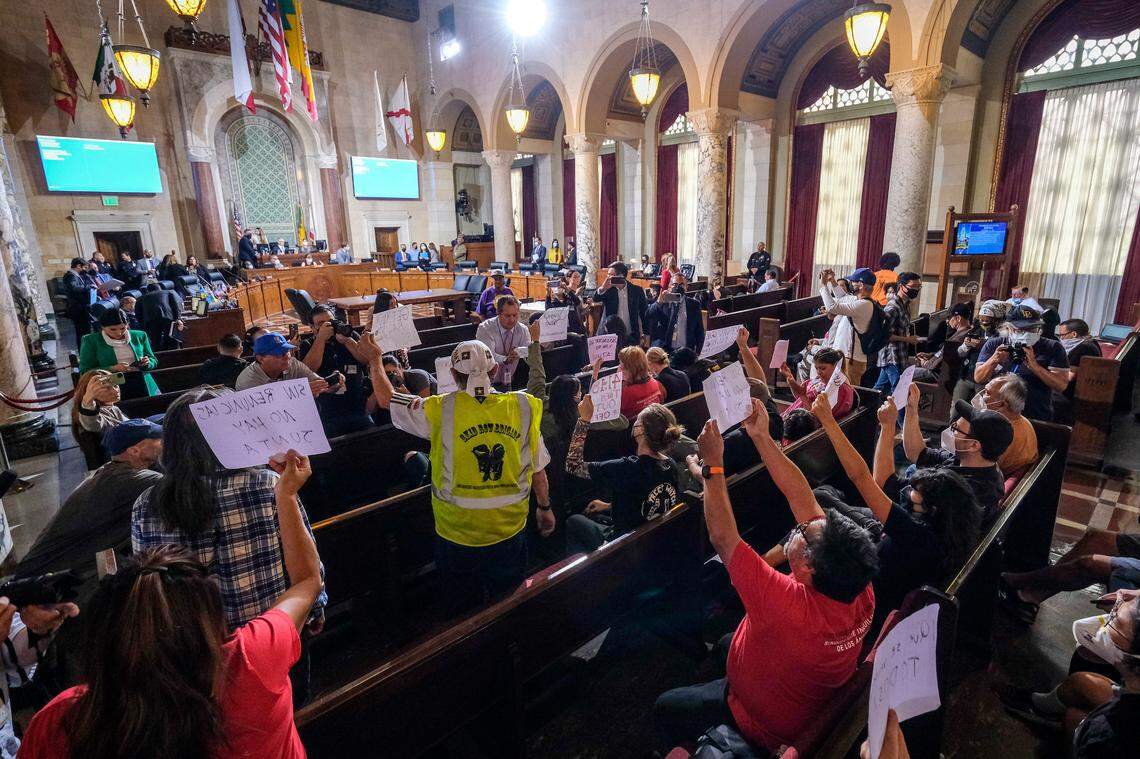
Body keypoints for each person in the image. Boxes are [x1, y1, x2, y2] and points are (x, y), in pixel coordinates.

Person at [23, 452, 321, 759]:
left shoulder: (64, 721)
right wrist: (286, 495)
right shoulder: (251, 662)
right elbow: (307, 582)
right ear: (208, 616)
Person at [655, 404, 877, 753]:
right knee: (728, 640)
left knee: (665, 706)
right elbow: (800, 495)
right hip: (801, 691)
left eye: (802, 532)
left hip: (763, 724)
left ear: (807, 567)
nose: (800, 525)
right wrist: (762, 436)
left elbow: (724, 538)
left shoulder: (786, 604)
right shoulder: (857, 584)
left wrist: (713, 466)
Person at [373, 339, 554, 617]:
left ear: (454, 375)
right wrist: (544, 508)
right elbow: (538, 469)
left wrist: (374, 360)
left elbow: (387, 400)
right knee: (508, 606)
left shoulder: (439, 408)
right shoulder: (523, 407)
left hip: (456, 533)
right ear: (494, 371)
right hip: (508, 529)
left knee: (461, 610)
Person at [814, 394, 982, 615]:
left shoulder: (916, 534)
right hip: (889, 566)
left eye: (914, 491)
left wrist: (829, 422)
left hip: (868, 600)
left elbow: (860, 476)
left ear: (932, 509)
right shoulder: (950, 527)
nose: (907, 492)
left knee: (816, 529)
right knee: (825, 499)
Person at [16, 419, 164, 583]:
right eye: (158, 439)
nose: (164, 441)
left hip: (51, 571)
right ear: (134, 450)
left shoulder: (113, 470)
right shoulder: (130, 479)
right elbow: (180, 486)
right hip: (48, 580)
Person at [564, 400, 682, 553]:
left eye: (638, 421)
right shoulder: (670, 465)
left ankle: (589, 571)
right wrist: (609, 505)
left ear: (640, 430)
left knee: (574, 521)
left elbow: (572, 465)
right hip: (653, 539)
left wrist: (584, 420)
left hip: (624, 545)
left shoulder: (627, 468)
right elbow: (650, 500)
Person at [901, 389, 1012, 521]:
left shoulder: (969, 490)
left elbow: (888, 484)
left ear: (973, 445)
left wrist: (887, 426)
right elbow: (917, 453)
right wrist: (911, 408)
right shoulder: (968, 460)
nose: (951, 431)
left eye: (956, 429)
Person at [975, 303, 1069, 421]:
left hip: (1035, 415)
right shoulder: (994, 344)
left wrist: (1035, 367)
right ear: (1008, 328)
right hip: (995, 414)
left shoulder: (1053, 347)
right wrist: (994, 360)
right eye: (1021, 330)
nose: (1027, 333)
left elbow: (1061, 385)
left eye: (1032, 329)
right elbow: (979, 378)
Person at [298, 305, 378, 436]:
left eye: (330, 321)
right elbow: (309, 369)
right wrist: (321, 339)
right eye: (321, 324)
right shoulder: (307, 345)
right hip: (328, 411)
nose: (327, 326)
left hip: (357, 407)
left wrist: (347, 341)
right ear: (312, 328)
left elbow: (366, 359)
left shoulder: (349, 335)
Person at [78, 308, 160, 400]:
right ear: (102, 327)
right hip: (110, 386)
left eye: (123, 328)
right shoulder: (91, 341)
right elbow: (85, 372)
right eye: (113, 329)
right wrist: (113, 368)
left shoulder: (139, 335)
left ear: (128, 325)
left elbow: (153, 360)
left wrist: (148, 363)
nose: (119, 332)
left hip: (142, 382)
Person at [820, 267, 882, 387]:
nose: (851, 284)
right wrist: (832, 281)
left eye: (853, 282)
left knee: (849, 394)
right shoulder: (859, 300)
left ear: (860, 285)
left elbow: (832, 307)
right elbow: (842, 298)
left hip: (851, 359)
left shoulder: (864, 305)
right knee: (838, 393)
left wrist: (823, 285)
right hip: (846, 356)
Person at [971, 374, 1038, 474]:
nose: (981, 396)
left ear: (1001, 404)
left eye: (987, 393)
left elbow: (979, 469)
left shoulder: (1000, 432)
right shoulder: (1022, 421)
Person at [235, 332, 332, 396]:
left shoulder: (293, 363)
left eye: (287, 351)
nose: (286, 357)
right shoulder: (248, 381)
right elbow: (268, 410)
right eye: (278, 354)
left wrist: (333, 382)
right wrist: (301, 392)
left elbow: (320, 383)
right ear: (260, 358)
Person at [873, 271, 921, 394]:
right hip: (891, 355)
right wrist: (908, 339)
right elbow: (883, 334)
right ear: (901, 286)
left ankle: (868, 409)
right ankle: (899, 414)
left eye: (918, 287)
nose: (916, 290)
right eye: (913, 287)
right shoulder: (892, 307)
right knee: (899, 391)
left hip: (900, 353)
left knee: (879, 390)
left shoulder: (905, 304)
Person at [780, 347, 855, 418]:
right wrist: (790, 377)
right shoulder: (819, 380)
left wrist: (803, 396)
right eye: (816, 368)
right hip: (792, 417)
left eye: (823, 368)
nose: (819, 372)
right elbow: (799, 398)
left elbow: (818, 419)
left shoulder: (840, 389)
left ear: (836, 367)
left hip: (804, 426)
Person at [475, 295, 531, 389]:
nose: (512, 320)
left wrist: (519, 352)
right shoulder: (485, 328)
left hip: (512, 380)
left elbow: (529, 350)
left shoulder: (522, 329)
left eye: (515, 315)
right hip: (487, 382)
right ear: (498, 313)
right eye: (507, 316)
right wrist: (505, 359)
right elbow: (487, 355)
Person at [1055, 318, 1103, 424]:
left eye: (1062, 335)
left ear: (1074, 334)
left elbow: (1069, 377)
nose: (1061, 339)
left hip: (1072, 395)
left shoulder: (1083, 348)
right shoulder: (1092, 342)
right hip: (1084, 391)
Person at [645, 276, 705, 353]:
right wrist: (659, 302)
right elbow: (648, 315)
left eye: (681, 285)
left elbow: (699, 330)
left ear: (686, 287)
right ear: (669, 287)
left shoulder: (694, 304)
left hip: (685, 350)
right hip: (664, 350)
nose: (678, 287)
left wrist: (698, 352)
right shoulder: (663, 301)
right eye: (675, 284)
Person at [72, 369, 129, 443]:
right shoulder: (98, 414)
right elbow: (91, 424)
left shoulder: (110, 406)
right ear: (91, 392)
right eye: (107, 388)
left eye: (115, 385)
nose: (115, 390)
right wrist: (88, 400)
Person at [598, 261, 649, 340]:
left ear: (621, 276)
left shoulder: (636, 290)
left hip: (631, 334)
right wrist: (602, 289)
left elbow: (644, 312)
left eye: (611, 275)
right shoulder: (608, 290)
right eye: (608, 274)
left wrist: (646, 333)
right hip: (610, 334)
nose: (608, 277)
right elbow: (596, 299)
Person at [134, 282, 185, 352]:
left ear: (148, 290)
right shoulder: (169, 292)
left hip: (150, 321)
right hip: (167, 317)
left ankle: (160, 357)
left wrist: (143, 325)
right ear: (160, 288)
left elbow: (138, 314)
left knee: (155, 341)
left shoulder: (140, 298)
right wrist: (178, 318)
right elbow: (176, 305)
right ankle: (174, 354)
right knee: (171, 338)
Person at [618, 346, 665, 421]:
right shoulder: (656, 384)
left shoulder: (625, 393)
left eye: (621, 366)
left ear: (629, 369)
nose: (620, 369)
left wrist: (619, 382)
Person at [61, 257, 97, 338]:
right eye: (84, 267)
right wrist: (89, 286)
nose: (84, 269)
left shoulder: (76, 275)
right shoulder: (70, 276)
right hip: (77, 307)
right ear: (78, 266)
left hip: (82, 306)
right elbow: (74, 288)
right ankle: (83, 349)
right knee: (82, 332)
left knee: (86, 330)